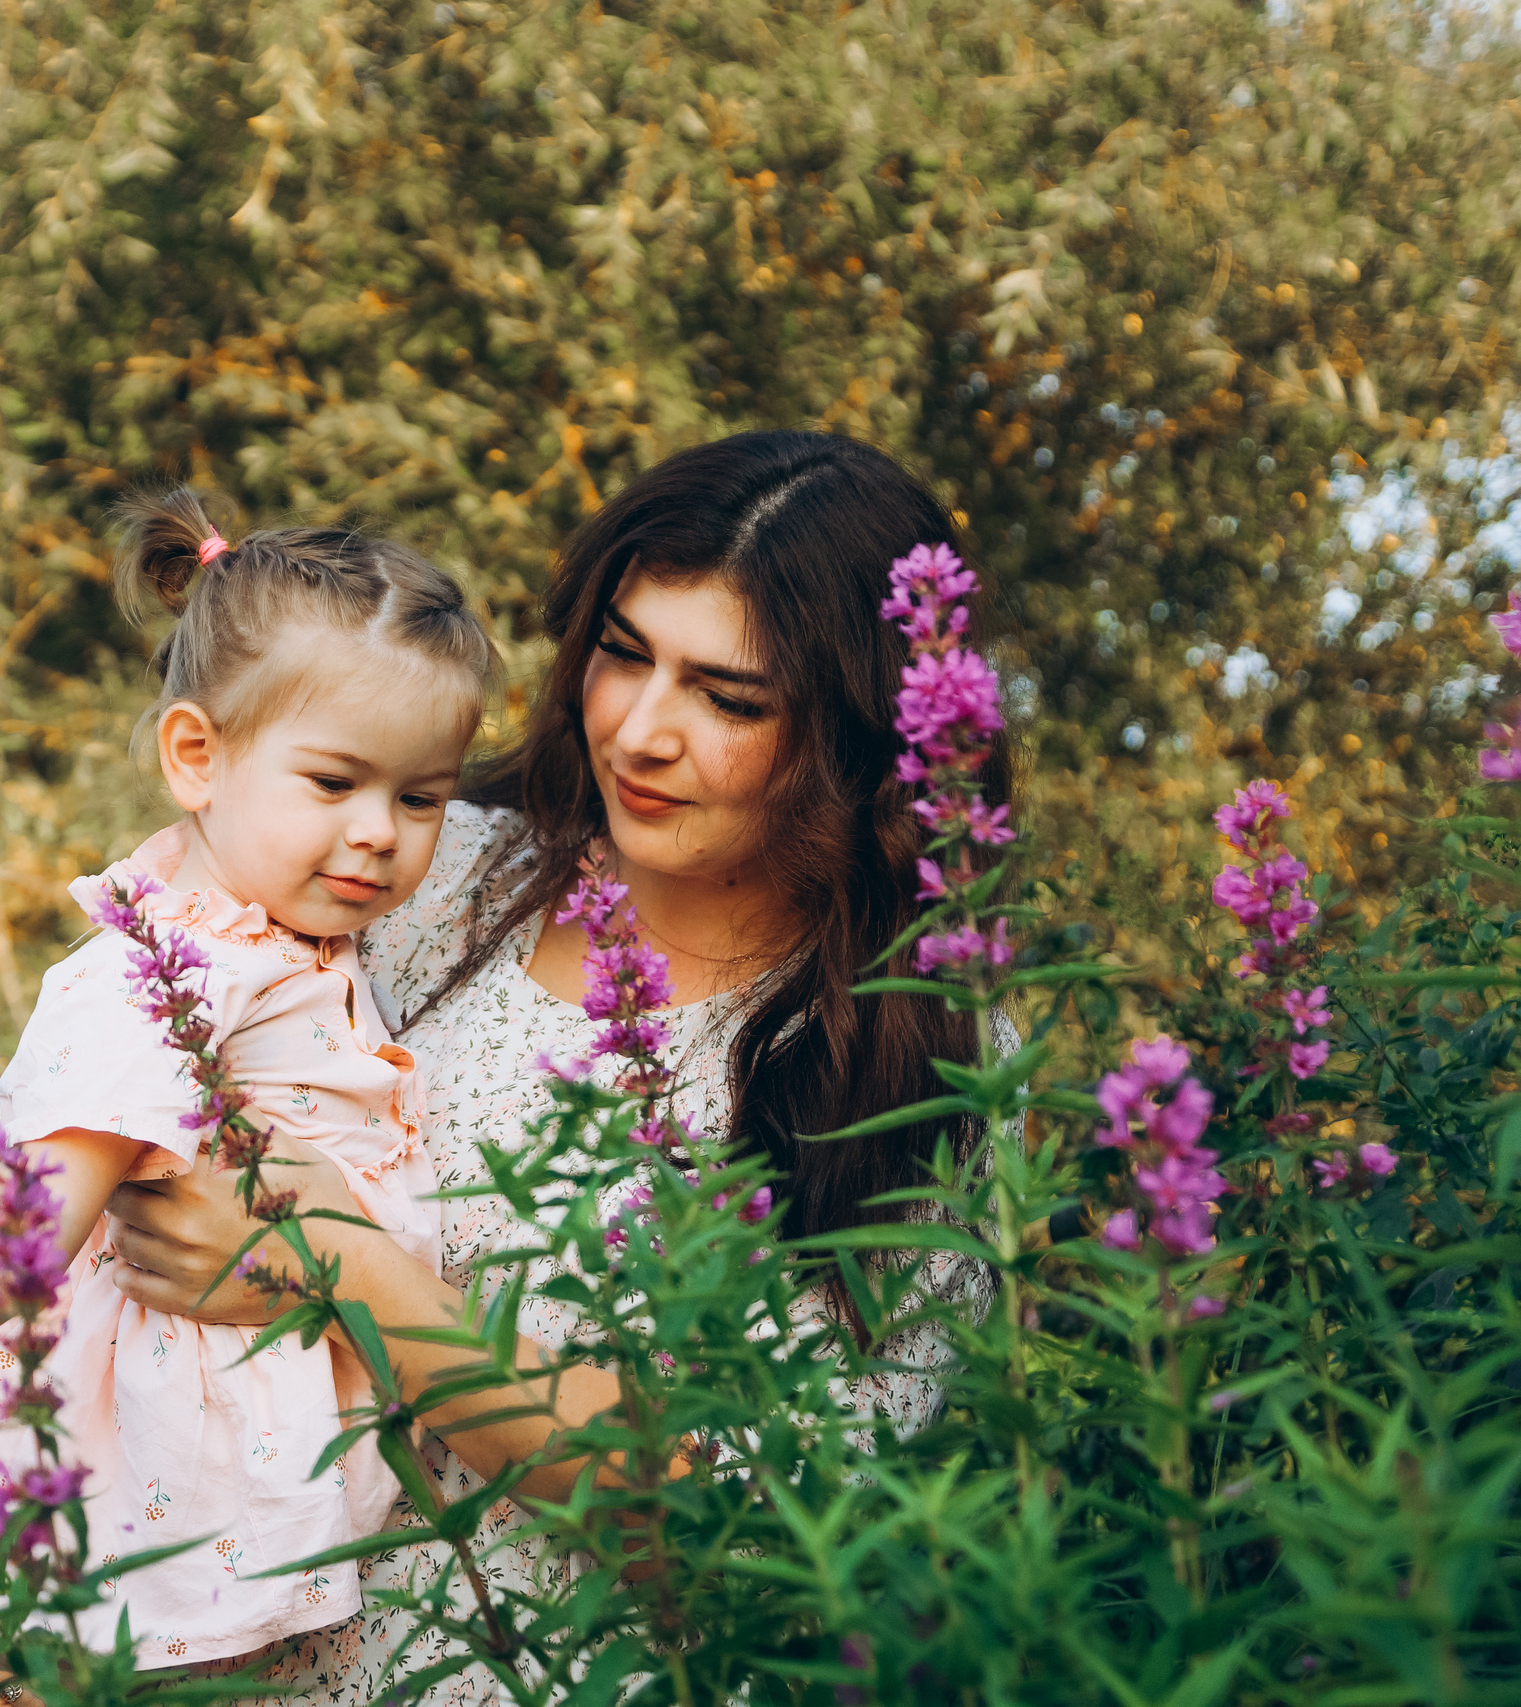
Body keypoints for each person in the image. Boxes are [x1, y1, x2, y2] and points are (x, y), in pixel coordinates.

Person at [94, 431, 1018, 1703]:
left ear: (855, 739)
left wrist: (354, 1274)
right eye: (623, 654)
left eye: (729, 698)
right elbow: (121, 1086)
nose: (639, 731)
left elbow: (756, 1536)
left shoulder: (915, 1050)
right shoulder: (424, 874)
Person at [0, 489, 496, 1669]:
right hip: (149, 1447)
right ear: (196, 756)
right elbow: (37, 1200)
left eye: (418, 798)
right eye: (335, 783)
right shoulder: (166, 971)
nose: (378, 832)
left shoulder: (285, 936)